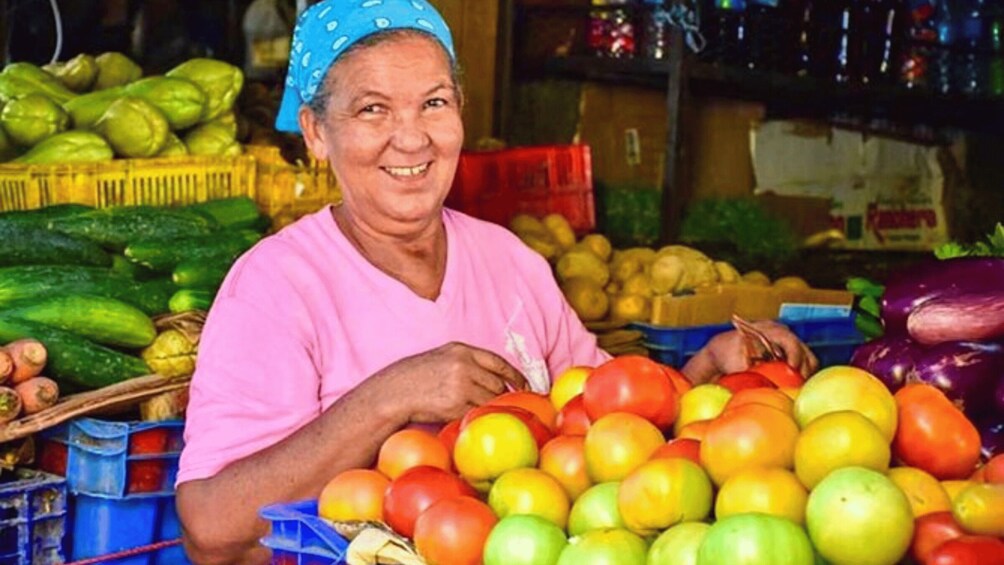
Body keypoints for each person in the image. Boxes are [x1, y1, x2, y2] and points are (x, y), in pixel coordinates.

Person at [175, 1, 818, 563]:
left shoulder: (510, 261)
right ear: (317, 132)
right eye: (372, 109)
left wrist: (712, 371)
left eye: (434, 103)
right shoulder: (274, 287)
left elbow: (604, 429)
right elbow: (212, 530)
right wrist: (387, 398)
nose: (411, 137)